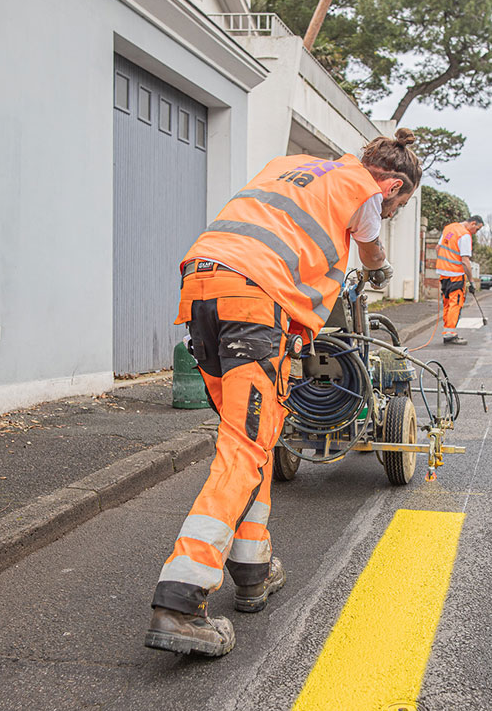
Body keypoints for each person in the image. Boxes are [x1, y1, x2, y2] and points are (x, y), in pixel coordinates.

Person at [145, 130, 422, 658]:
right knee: (244, 450)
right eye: (397, 205)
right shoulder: (362, 190)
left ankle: (251, 568)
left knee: (256, 440)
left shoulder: (291, 166)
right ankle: (179, 602)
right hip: (255, 303)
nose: (388, 212)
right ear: (390, 185)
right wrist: (379, 265)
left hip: (202, 289)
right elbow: (370, 250)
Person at [436, 215, 484, 345]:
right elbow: (465, 261)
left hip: (443, 273)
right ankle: (450, 334)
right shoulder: (464, 235)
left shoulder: (449, 228)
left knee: (447, 303)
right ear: (473, 223)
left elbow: (438, 248)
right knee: (455, 303)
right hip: (456, 274)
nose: (475, 232)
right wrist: (471, 281)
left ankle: (447, 331)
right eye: (477, 229)